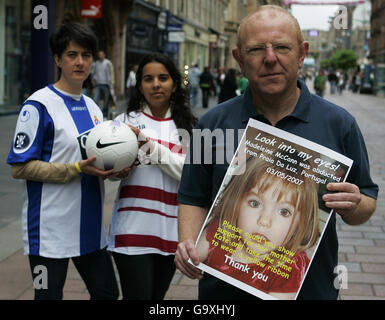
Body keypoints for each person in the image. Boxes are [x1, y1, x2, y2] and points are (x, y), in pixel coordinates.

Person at [174, 5, 378, 300]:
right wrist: (188, 245)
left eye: (282, 47)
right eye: (257, 50)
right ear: (239, 60)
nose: (270, 59)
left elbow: (366, 203)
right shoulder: (212, 123)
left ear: (302, 53)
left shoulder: (339, 123)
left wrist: (354, 204)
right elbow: (192, 196)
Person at [6, 22, 119, 300]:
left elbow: (99, 158)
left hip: (90, 230)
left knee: (106, 293)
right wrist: (75, 169)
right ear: (57, 59)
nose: (80, 62)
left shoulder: (93, 107)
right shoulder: (38, 105)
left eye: (86, 55)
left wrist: (117, 167)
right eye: (71, 54)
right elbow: (20, 167)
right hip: (49, 232)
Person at [107, 53, 197, 300]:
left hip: (171, 233)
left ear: (175, 84)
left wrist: (146, 145)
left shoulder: (190, 127)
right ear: (140, 86)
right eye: (148, 79)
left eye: (163, 78)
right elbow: (110, 170)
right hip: (132, 230)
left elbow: (188, 174)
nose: (156, 84)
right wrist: (116, 171)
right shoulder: (124, 122)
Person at [196, 149, 320, 299]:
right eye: (254, 203)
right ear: (236, 203)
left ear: (300, 224)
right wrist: (186, 256)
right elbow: (190, 257)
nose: (264, 221)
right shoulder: (220, 231)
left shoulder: (291, 268)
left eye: (284, 212)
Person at [93, 50, 114, 118]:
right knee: (95, 99)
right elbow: (95, 72)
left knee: (106, 101)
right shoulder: (96, 63)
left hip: (106, 84)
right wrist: (94, 80)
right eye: (99, 55)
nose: (100, 56)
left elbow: (111, 73)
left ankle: (104, 115)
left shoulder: (108, 63)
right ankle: (97, 113)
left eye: (101, 54)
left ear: (104, 55)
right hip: (98, 84)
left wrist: (112, 84)